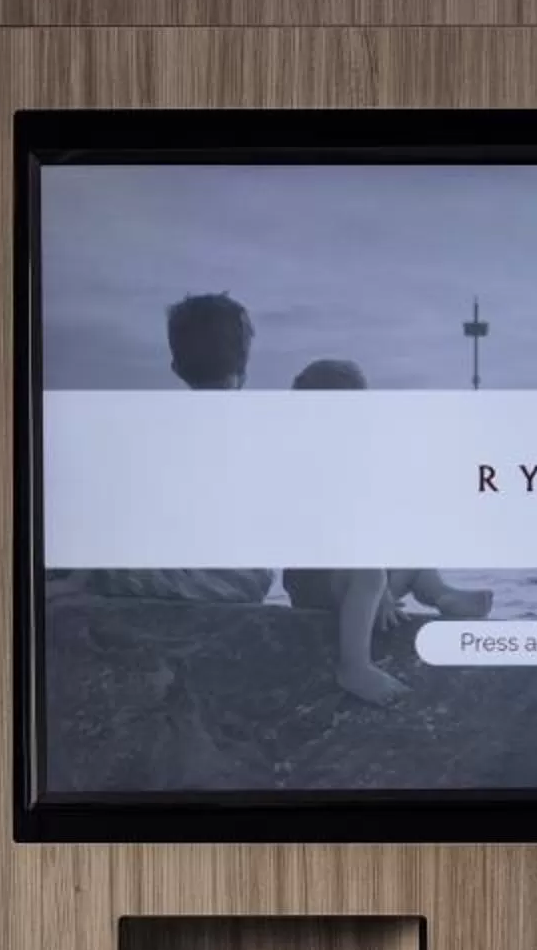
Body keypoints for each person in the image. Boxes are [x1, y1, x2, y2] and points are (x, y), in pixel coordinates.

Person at [279, 358, 493, 708]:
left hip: (353, 574)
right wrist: (376, 588)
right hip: (313, 581)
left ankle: (442, 595)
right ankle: (354, 666)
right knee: (370, 573)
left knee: (405, 550)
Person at [45, 293, 275, 607]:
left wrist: (78, 578)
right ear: (245, 359)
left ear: (176, 366)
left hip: (215, 578)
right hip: (245, 578)